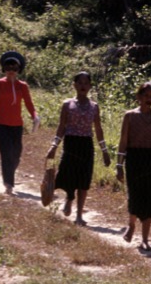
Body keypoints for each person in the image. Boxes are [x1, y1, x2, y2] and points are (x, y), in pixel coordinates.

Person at [46, 71, 111, 225]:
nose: (83, 86)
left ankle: (79, 215)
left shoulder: (94, 107)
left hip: (86, 145)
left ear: (90, 86)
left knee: (83, 179)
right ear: (74, 85)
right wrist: (54, 146)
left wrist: (104, 151)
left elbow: (98, 129)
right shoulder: (67, 104)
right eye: (80, 83)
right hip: (70, 144)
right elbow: (61, 127)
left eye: (86, 83)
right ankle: (69, 198)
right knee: (67, 174)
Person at [117, 82, 151, 251]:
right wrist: (119, 165)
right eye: (146, 96)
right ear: (139, 97)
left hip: (150, 159)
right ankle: (131, 224)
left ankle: (145, 239)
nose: (149, 99)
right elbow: (123, 141)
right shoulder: (130, 116)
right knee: (135, 194)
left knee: (150, 197)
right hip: (134, 158)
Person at [0, 51, 39, 195]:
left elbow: (29, 104)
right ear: (3, 69)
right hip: (1, 124)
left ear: (19, 70)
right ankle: (8, 184)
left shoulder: (22, 86)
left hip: (17, 125)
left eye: (14, 68)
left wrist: (35, 117)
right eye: (8, 68)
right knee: (6, 154)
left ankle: (9, 171)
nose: (11, 71)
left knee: (16, 153)